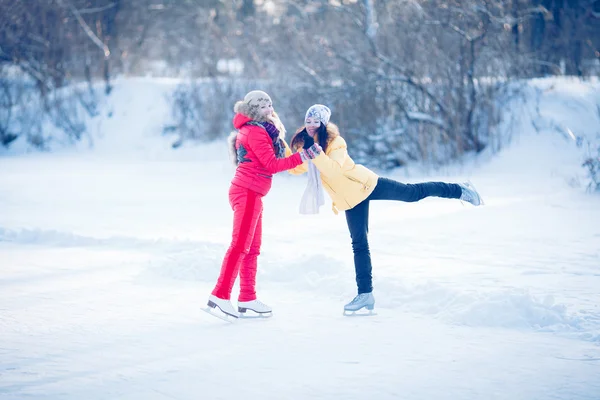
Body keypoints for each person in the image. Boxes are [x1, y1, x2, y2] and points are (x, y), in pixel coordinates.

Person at [288, 104, 483, 314]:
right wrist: (282, 149)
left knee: (412, 193)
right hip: (349, 201)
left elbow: (333, 171)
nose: (310, 126)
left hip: (366, 185)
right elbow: (297, 168)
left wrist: (314, 152)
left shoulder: (336, 142)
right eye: (307, 121)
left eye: (315, 122)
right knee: (359, 244)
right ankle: (365, 295)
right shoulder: (306, 145)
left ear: (323, 124)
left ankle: (459, 190)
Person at [207, 91, 320, 319]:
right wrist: (303, 156)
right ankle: (220, 295)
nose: (269, 110)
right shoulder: (255, 131)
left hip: (253, 193)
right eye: (264, 107)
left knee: (252, 248)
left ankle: (247, 298)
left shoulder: (260, 130)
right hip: (247, 192)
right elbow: (271, 165)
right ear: (253, 110)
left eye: (270, 105)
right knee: (240, 246)